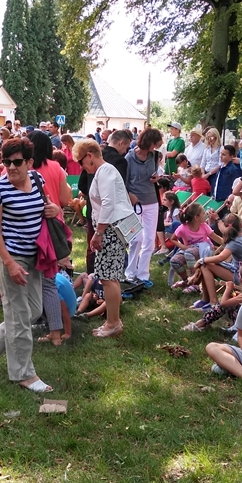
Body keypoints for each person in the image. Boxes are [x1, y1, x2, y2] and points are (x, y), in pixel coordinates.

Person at [0, 138, 59, 392]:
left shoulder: (37, 180)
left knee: (32, 311)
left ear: (29, 163)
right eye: (7, 162)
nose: (11, 167)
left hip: (35, 256)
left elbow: (49, 206)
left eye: (17, 162)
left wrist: (54, 209)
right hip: (11, 257)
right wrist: (10, 263)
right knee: (19, 316)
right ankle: (24, 374)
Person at [74, 138, 138, 338]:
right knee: (110, 278)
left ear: (89, 156)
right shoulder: (105, 171)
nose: (82, 167)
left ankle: (113, 323)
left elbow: (108, 204)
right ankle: (113, 321)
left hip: (110, 230)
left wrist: (99, 232)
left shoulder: (105, 171)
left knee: (108, 278)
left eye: (81, 162)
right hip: (110, 229)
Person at [30, 131, 73, 346]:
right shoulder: (56, 167)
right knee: (49, 284)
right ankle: (55, 333)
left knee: (27, 283)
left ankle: (28, 324)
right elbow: (65, 199)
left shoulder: (24, 168)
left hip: (30, 230)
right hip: (52, 230)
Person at [125, 128, 163, 284]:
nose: (156, 147)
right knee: (136, 239)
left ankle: (143, 274)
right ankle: (130, 273)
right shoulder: (129, 157)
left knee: (149, 240)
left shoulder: (155, 156)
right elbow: (123, 182)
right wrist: (130, 195)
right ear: (148, 142)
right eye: (155, 144)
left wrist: (157, 178)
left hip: (152, 201)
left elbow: (157, 173)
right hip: (134, 203)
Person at [195, 213, 242, 309]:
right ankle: (206, 299)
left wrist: (201, 260)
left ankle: (213, 302)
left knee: (205, 265)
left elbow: (221, 257)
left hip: (241, 277)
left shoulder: (234, 242)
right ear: (241, 225)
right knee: (207, 263)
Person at [168, 203, 222, 288]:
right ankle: (187, 281)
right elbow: (173, 238)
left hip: (204, 249)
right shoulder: (183, 227)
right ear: (196, 217)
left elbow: (216, 238)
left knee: (189, 253)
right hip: (189, 250)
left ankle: (195, 283)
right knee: (175, 261)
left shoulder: (204, 226)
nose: (205, 215)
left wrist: (228, 243)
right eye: (203, 213)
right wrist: (184, 247)